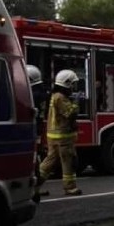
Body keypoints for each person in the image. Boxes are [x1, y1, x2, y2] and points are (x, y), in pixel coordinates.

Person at [37, 69, 83, 197]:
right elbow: (70, 113)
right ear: (67, 83)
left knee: (48, 163)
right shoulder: (60, 97)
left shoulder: (55, 96)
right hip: (63, 137)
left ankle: (34, 186)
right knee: (68, 162)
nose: (74, 87)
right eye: (73, 84)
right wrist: (77, 102)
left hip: (54, 136)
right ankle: (70, 188)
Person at [26, 65, 50, 201]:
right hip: (39, 129)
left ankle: (35, 191)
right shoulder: (43, 93)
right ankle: (36, 189)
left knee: (34, 161)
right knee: (37, 159)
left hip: (31, 129)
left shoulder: (32, 94)